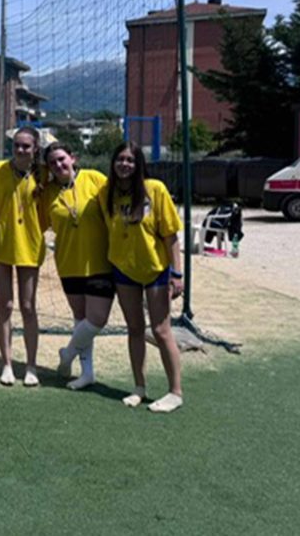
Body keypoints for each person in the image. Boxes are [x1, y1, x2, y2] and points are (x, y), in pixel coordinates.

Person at [100, 142, 184, 413]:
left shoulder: (155, 190)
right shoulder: (106, 193)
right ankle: (139, 387)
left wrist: (177, 273)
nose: (124, 164)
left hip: (155, 270)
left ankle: (175, 392)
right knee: (134, 328)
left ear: (139, 165)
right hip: (124, 270)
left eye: (130, 160)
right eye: (120, 159)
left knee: (161, 330)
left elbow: (170, 236)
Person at [39, 142, 113, 390]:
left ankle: (68, 353)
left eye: (62, 159)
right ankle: (87, 373)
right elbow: (38, 223)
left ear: (73, 158)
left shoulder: (94, 179)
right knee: (80, 319)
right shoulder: (48, 192)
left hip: (100, 261)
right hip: (69, 262)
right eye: (52, 163)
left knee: (97, 320)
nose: (58, 165)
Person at [0, 126, 45, 386]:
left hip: (30, 246)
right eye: (16, 145)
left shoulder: (44, 174)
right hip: (1, 245)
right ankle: (7, 364)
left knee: (28, 307)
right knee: (6, 305)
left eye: (26, 146)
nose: (20, 150)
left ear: (35, 149)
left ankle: (31, 366)